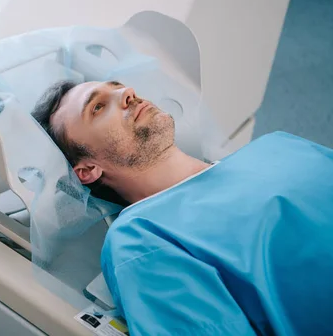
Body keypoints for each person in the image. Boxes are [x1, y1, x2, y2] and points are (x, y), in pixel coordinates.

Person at [31, 79, 333, 336]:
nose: (127, 93)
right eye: (97, 107)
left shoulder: (275, 146)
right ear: (87, 169)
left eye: (118, 86)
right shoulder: (142, 238)